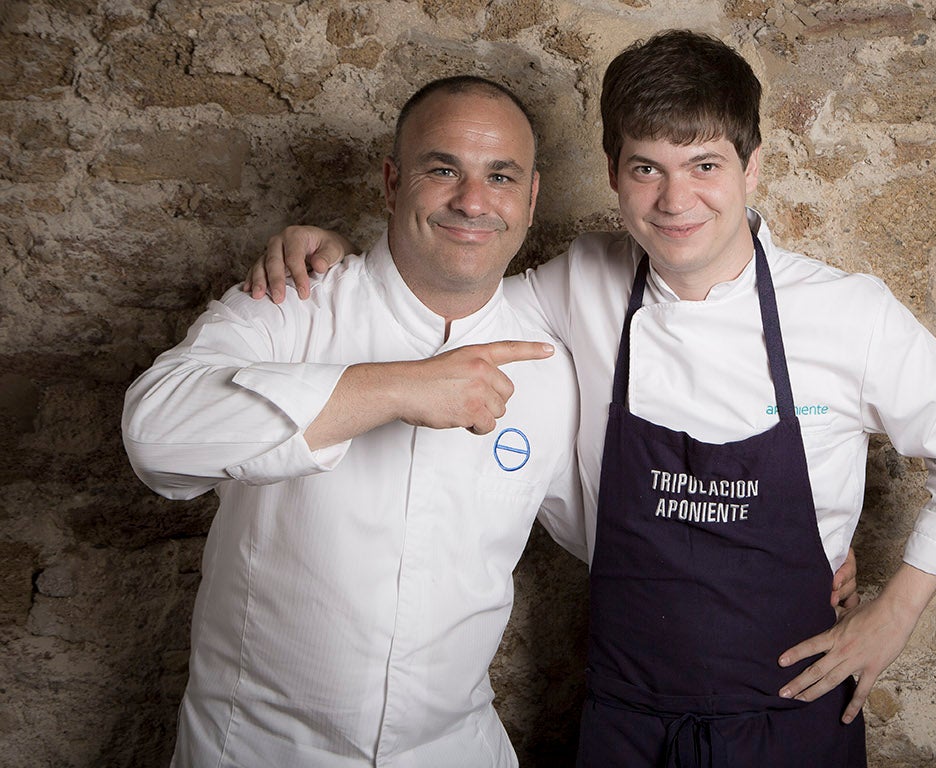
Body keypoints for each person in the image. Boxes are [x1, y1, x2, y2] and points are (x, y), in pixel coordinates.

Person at [246, 30, 936, 767]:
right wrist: (341, 257)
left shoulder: (847, 313)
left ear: (752, 169)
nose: (676, 198)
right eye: (648, 167)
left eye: (705, 165)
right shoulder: (579, 283)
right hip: (626, 719)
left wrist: (897, 613)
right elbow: (444, 292)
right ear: (615, 175)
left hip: (789, 718)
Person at [123, 77, 589, 767]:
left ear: (531, 199)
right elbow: (154, 436)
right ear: (392, 182)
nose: (472, 200)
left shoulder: (554, 366)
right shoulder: (291, 302)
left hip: (455, 750)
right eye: (442, 170)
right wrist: (397, 387)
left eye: (500, 176)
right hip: (256, 750)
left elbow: (624, 539)